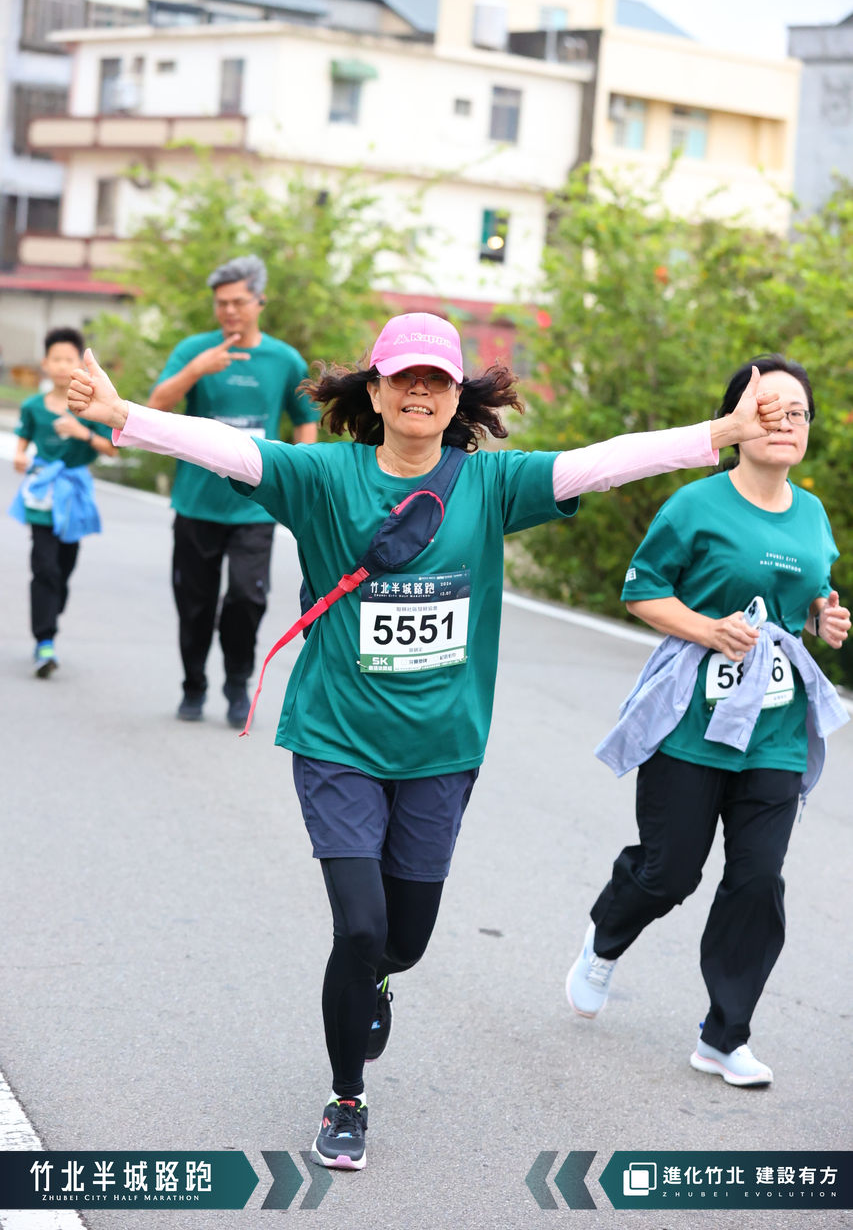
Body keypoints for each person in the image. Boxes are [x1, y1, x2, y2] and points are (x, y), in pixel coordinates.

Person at [68, 313, 783, 1169]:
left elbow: (604, 460)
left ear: (455, 397)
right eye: (402, 377)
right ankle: (346, 1098)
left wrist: (718, 433)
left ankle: (375, 979)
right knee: (359, 927)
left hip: (441, 753)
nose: (418, 390)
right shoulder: (322, 476)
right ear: (373, 392)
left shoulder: (490, 485)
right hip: (336, 740)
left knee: (401, 942)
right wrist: (124, 413)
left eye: (435, 379)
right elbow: (228, 449)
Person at [566, 354, 850, 1089]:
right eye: (771, 409)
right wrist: (707, 629)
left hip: (775, 729)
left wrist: (821, 618)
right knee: (669, 873)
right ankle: (605, 938)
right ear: (738, 420)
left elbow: (809, 594)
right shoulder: (694, 505)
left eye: (798, 413)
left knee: (758, 882)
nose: (786, 423)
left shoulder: (813, 514)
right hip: (689, 720)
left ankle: (724, 1036)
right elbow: (642, 590)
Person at [148, 254, 319, 727]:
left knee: (247, 598)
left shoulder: (284, 360)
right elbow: (156, 406)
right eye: (221, 303)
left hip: (255, 508)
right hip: (197, 504)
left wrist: (302, 478)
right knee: (195, 604)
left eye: (238, 302)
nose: (228, 311)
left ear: (259, 302)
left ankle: (237, 683)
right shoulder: (194, 350)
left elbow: (305, 420)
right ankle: (193, 684)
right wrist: (197, 370)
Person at [9, 326, 117, 678]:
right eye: (55, 359)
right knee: (45, 567)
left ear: (80, 366)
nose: (60, 366)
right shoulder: (33, 406)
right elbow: (23, 437)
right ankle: (45, 642)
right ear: (45, 363)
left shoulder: (91, 407)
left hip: (75, 494)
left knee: (63, 568)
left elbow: (112, 449)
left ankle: (50, 614)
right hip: (43, 491)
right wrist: (20, 456)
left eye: (68, 359)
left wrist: (82, 432)